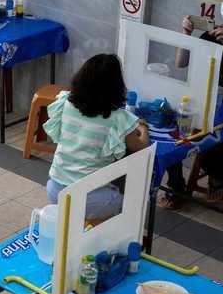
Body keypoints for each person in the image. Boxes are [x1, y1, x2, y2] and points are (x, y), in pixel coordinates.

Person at [44, 54, 151, 220]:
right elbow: (141, 147)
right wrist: (143, 128)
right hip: (89, 200)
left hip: (55, 190)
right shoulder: (118, 118)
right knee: (131, 201)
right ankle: (103, 236)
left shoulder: (66, 102)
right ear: (115, 86)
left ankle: (85, 230)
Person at [162, 0, 223, 208]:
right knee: (169, 132)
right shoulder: (212, 34)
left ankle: (219, 177)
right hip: (205, 104)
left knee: (211, 146)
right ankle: (176, 186)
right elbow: (181, 62)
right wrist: (186, 34)